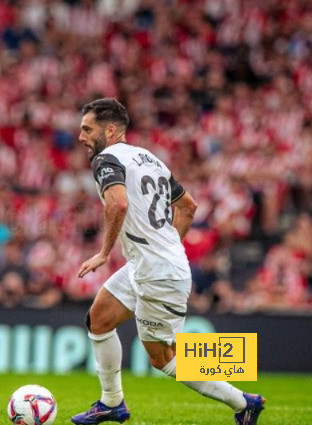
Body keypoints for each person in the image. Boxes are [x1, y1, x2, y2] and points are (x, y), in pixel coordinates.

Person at [71, 98, 264, 425]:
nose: (81, 137)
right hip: (149, 266)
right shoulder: (150, 159)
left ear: (111, 130)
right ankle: (111, 403)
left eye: (87, 129)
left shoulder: (106, 159)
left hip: (158, 272)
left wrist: (104, 253)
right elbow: (188, 207)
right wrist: (166, 246)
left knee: (164, 359)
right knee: (99, 320)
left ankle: (243, 401)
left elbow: (117, 205)